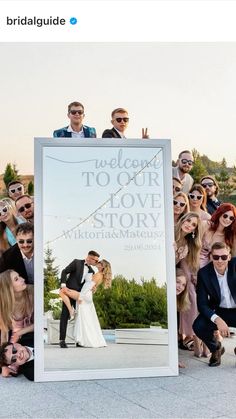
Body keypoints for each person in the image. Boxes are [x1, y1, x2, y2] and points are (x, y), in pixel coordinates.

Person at [193, 242, 236, 367]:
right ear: (211, 257)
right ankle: (216, 348)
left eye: (223, 257)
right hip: (218, 310)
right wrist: (217, 319)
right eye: (216, 257)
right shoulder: (204, 273)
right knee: (198, 325)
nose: (220, 260)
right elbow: (202, 304)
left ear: (229, 256)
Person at [60, 260, 112, 348]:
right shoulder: (98, 274)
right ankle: (83, 339)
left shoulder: (98, 274)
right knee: (84, 318)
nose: (98, 263)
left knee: (62, 291)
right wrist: (94, 287)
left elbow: (87, 286)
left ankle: (71, 311)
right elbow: (91, 284)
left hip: (84, 295)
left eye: (99, 263)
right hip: (86, 295)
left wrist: (81, 297)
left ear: (102, 266)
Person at [59, 250, 100, 348]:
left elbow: (90, 284)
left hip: (80, 296)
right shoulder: (76, 262)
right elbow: (64, 271)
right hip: (69, 292)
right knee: (65, 315)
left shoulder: (92, 271)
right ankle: (62, 340)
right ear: (89, 258)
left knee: (80, 318)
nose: (96, 262)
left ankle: (79, 340)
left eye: (97, 261)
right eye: (95, 260)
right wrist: (63, 285)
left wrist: (94, 287)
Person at [174, 212, 202, 351]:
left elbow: (187, 268)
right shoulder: (170, 232)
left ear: (194, 230)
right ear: (182, 220)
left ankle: (192, 333)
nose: (189, 225)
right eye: (188, 221)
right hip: (159, 272)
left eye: (193, 225)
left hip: (174, 272)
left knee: (188, 288)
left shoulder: (187, 244)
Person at [0, 270, 34, 376]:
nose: (23, 279)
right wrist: (4, 364)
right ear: (9, 288)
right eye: (16, 279)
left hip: (32, 333)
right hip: (16, 340)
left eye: (18, 276)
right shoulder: (3, 304)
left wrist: (19, 333)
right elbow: (4, 333)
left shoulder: (32, 291)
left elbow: (40, 324)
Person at [200, 203, 236, 268]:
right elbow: (193, 246)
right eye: (225, 216)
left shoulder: (228, 237)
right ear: (219, 214)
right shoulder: (206, 225)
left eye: (231, 218)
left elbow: (232, 257)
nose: (227, 219)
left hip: (210, 269)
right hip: (193, 262)